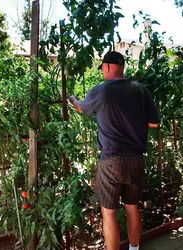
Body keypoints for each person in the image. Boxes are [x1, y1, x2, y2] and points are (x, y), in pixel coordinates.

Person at [69, 51, 159, 250]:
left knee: (108, 212)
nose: (102, 71)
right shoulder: (140, 90)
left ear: (107, 67)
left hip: (111, 160)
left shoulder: (101, 90)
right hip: (135, 158)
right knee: (132, 206)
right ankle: (134, 249)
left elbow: (83, 109)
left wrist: (73, 100)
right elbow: (154, 124)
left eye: (102, 68)